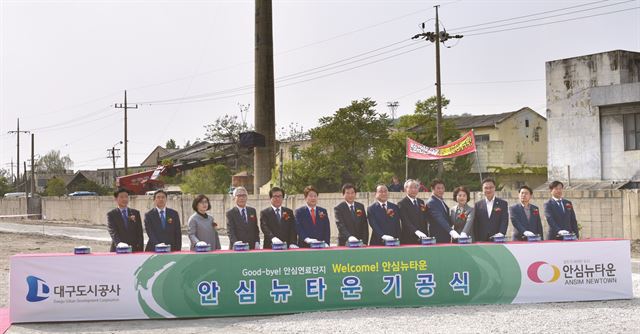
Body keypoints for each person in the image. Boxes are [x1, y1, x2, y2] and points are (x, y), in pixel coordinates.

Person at [398, 179, 430, 244]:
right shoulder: (401, 204)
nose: (413, 190)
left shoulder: (421, 202)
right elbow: (405, 221)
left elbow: (424, 219)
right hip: (409, 238)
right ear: (405, 189)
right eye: (411, 187)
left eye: (415, 187)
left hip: (423, 238)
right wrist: (416, 232)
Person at [426, 179, 459, 243]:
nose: (441, 190)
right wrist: (451, 231)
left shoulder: (440, 201)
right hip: (437, 237)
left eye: (442, 188)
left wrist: (458, 217)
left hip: (445, 236)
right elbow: (439, 218)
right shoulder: (431, 202)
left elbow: (446, 218)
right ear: (432, 189)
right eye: (438, 188)